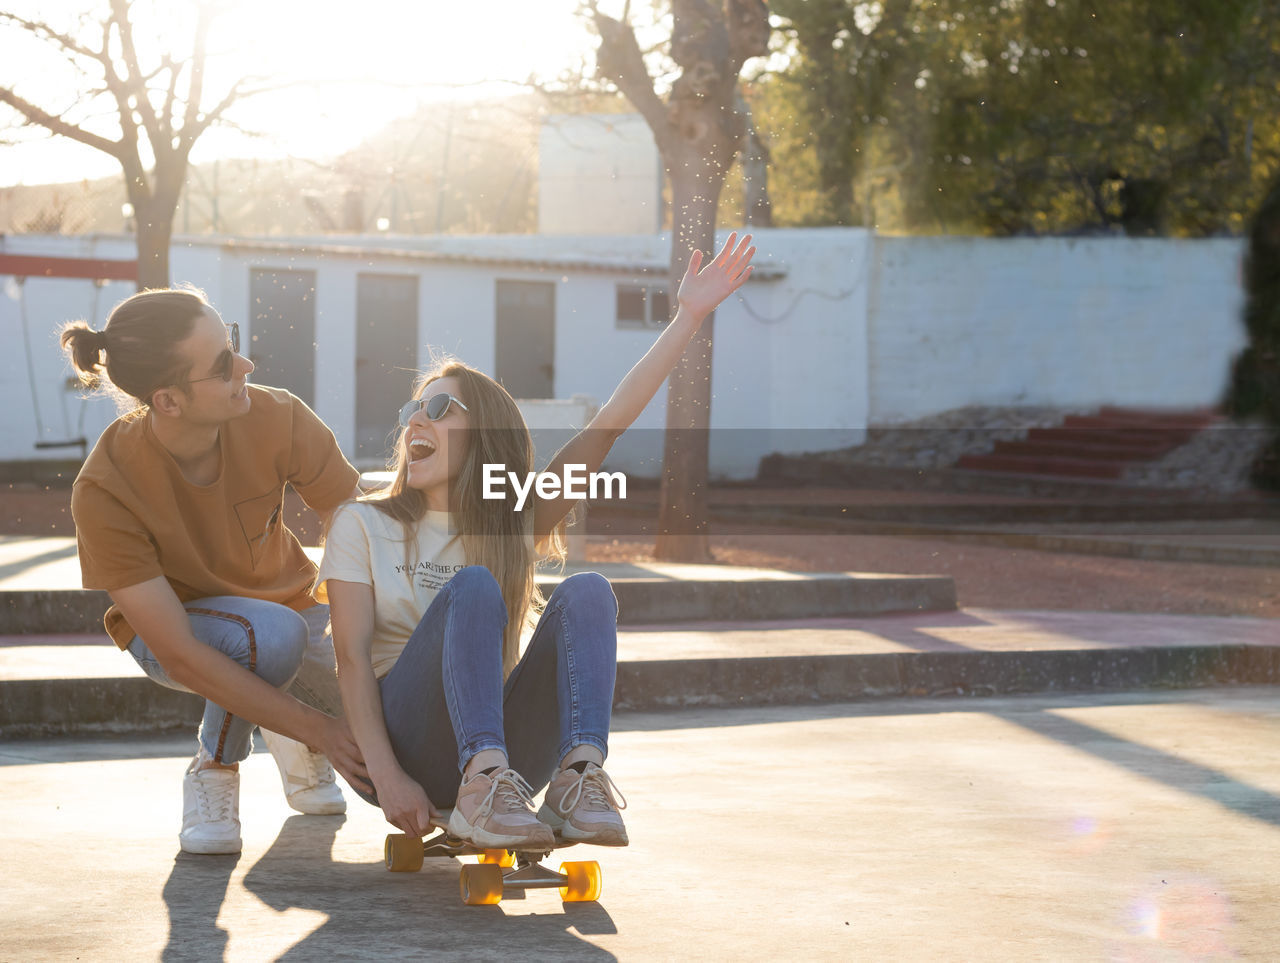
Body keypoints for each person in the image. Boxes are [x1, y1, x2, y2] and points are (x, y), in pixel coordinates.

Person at [318, 233, 755, 849]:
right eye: (413, 408)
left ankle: (578, 780)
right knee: (472, 586)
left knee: (587, 591)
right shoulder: (362, 524)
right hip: (404, 743)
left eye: (440, 407)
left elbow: (607, 426)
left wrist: (689, 316)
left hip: (501, 749)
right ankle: (479, 786)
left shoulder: (512, 520)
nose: (417, 418)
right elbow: (352, 663)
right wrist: (387, 778)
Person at [61, 287, 372, 855]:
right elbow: (178, 652)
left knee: (371, 689)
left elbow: (360, 531)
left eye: (233, 344)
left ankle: (288, 731)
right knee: (267, 639)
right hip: (181, 631)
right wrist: (321, 727)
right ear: (169, 401)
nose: (246, 366)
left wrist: (368, 645)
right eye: (224, 364)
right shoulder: (105, 488)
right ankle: (215, 764)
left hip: (296, 610)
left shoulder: (277, 415)